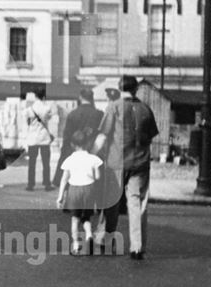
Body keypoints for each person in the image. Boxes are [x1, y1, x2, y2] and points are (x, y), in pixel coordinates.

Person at [95, 76, 158, 260]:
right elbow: (150, 136)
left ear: (119, 87)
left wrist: (90, 154)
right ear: (136, 88)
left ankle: (106, 239)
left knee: (112, 202)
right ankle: (137, 246)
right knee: (137, 204)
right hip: (140, 162)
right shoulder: (146, 109)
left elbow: (103, 136)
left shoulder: (114, 107)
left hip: (116, 161)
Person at [56, 129, 103, 256]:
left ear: (72, 144)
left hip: (74, 190)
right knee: (86, 217)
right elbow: (98, 177)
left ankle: (76, 244)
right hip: (89, 189)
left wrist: (60, 197)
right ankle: (89, 235)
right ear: (88, 143)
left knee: (75, 220)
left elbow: (64, 179)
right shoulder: (94, 159)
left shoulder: (69, 160)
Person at [52, 88, 103, 187]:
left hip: (74, 151)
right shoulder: (99, 114)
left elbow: (67, 138)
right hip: (93, 151)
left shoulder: (73, 114)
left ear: (80, 97)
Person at [23, 90, 56, 191]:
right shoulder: (47, 108)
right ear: (44, 97)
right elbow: (48, 119)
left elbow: (27, 122)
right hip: (44, 138)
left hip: (32, 138)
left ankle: (30, 184)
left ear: (35, 96)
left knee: (32, 163)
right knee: (46, 162)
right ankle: (47, 183)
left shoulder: (29, 110)